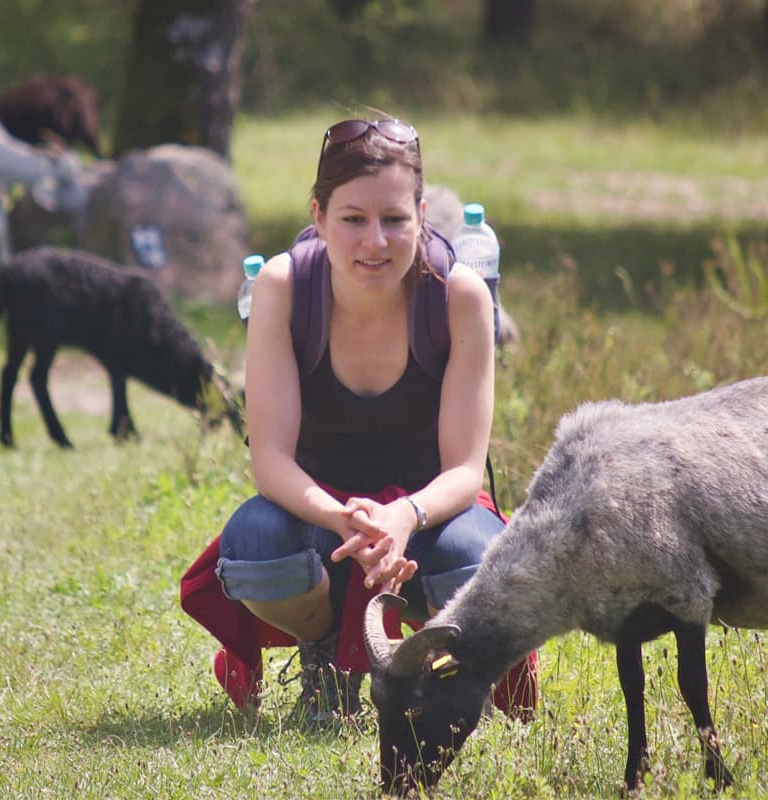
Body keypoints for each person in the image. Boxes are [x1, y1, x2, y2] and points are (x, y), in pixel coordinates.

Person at [190, 117, 532, 728]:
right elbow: (270, 459)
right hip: (319, 515)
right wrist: (344, 517)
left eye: (395, 219)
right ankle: (325, 660)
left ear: (422, 215)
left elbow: (462, 470)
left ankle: (439, 672)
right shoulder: (283, 287)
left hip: (433, 516)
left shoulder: (460, 297)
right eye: (353, 219)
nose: (375, 241)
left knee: (474, 562)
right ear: (318, 216)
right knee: (257, 548)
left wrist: (402, 517)